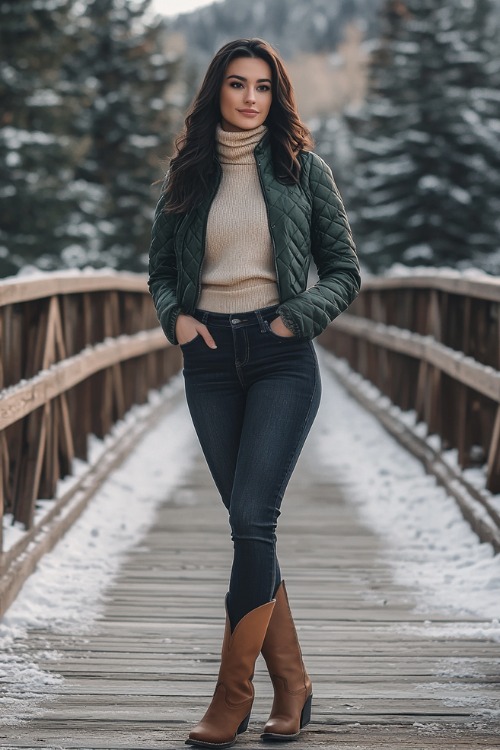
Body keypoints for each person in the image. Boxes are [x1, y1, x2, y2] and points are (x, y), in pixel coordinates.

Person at [148, 37, 360, 749]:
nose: (248, 97)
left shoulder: (303, 171)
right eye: (236, 84)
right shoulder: (189, 174)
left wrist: (293, 318)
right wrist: (174, 317)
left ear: (277, 95)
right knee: (250, 527)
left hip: (280, 358)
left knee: (250, 518)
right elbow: (159, 271)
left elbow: (343, 272)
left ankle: (231, 696)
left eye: (263, 86)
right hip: (208, 358)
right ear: (218, 91)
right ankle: (294, 685)